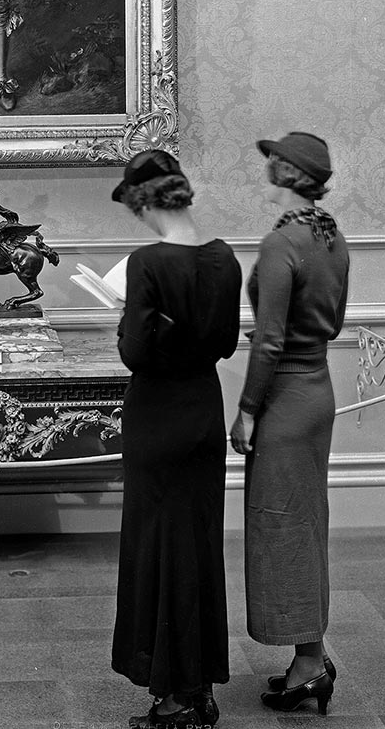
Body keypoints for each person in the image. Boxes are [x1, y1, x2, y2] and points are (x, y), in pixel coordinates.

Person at [111, 150, 242, 728]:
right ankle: (198, 683)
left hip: (157, 414)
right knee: (197, 545)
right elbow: (227, 343)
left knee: (158, 549)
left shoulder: (147, 262)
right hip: (202, 411)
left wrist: (125, 321)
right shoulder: (224, 257)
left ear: (143, 202)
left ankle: (176, 698)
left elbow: (135, 353)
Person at [229, 132, 350, 717]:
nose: (268, 162)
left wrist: (247, 409)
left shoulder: (282, 243)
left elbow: (270, 339)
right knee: (305, 522)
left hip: (283, 398)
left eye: (276, 156)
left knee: (282, 525)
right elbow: (335, 318)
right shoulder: (331, 236)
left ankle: (308, 663)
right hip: (317, 390)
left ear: (291, 170)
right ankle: (312, 657)